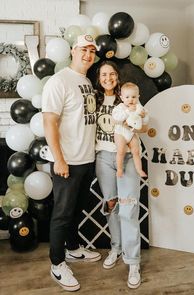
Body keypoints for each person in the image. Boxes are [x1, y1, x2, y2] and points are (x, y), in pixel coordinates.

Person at [42, 34, 101, 292]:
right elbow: (49, 122)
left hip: (86, 159)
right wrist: (59, 159)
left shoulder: (86, 81)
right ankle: (57, 264)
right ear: (73, 51)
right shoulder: (59, 81)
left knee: (77, 210)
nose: (87, 54)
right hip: (68, 161)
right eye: (83, 50)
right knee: (62, 214)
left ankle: (73, 249)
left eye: (92, 51)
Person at [95, 60, 148, 289]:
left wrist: (136, 125)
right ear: (99, 78)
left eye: (112, 74)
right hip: (103, 158)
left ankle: (133, 261)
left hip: (126, 157)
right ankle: (115, 247)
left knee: (129, 208)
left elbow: (145, 124)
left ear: (117, 76)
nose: (108, 78)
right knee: (112, 205)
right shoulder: (94, 100)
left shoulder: (128, 96)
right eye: (104, 74)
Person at [112, 82, 149, 177]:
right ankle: (119, 169)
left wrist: (144, 116)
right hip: (120, 132)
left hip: (132, 134)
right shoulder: (120, 107)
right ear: (122, 98)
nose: (131, 100)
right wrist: (128, 111)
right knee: (121, 150)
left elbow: (145, 122)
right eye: (127, 97)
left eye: (133, 97)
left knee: (136, 151)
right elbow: (117, 118)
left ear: (138, 97)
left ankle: (139, 169)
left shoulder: (139, 108)